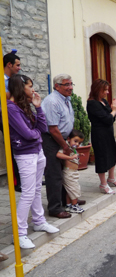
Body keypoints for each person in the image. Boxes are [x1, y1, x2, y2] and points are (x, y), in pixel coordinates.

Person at [6, 75, 59, 249]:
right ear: (21, 88)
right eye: (30, 86)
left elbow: (42, 129)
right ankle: (19, 233)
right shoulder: (10, 109)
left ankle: (39, 221)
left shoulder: (24, 106)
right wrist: (35, 137)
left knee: (36, 189)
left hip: (37, 151)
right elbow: (28, 135)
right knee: (28, 192)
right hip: (25, 154)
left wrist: (38, 108)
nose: (33, 90)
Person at [41, 74, 76, 218]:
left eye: (71, 84)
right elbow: (53, 128)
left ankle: (66, 200)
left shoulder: (66, 99)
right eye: (66, 84)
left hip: (62, 139)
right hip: (51, 139)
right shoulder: (52, 101)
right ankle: (55, 208)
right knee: (54, 174)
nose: (70, 87)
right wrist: (65, 146)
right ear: (57, 86)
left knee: (65, 171)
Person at [87, 79, 116, 193]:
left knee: (113, 154)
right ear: (97, 90)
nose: (107, 92)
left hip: (108, 132)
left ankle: (111, 178)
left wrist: (113, 108)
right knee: (102, 157)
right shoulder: (92, 103)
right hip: (99, 134)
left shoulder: (104, 101)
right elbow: (107, 119)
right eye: (105, 90)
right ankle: (103, 184)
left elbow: (112, 118)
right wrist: (114, 110)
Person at [2, 52, 22, 193]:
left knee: (18, 147)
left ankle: (23, 178)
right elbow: (7, 97)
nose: (19, 68)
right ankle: (17, 181)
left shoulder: (13, 80)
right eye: (17, 65)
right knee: (12, 148)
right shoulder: (3, 81)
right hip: (4, 117)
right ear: (9, 64)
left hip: (15, 115)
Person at [56, 129, 85, 213]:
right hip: (69, 172)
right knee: (74, 189)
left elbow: (74, 154)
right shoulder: (66, 148)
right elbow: (58, 154)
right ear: (68, 139)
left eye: (79, 143)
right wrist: (70, 158)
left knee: (70, 190)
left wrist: (79, 154)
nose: (77, 144)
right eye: (75, 141)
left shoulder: (72, 149)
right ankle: (74, 206)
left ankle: (68, 205)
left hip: (74, 172)